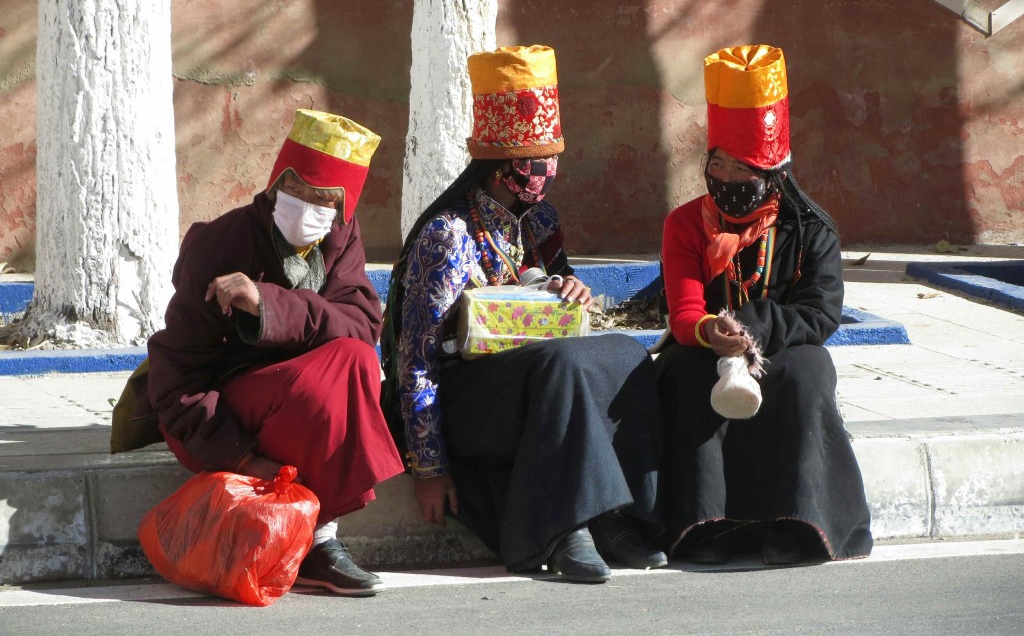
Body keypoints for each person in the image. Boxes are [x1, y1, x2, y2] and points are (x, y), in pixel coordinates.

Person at [380, 45, 665, 583]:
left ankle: (618, 517)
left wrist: (571, 289)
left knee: (625, 355)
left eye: (553, 158)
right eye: (536, 162)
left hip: (534, 383)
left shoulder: (540, 221)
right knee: (561, 367)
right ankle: (565, 528)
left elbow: (559, 296)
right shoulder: (450, 236)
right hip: (467, 394)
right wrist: (430, 467)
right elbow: (414, 359)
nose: (547, 172)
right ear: (501, 167)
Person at [136, 109, 405, 596]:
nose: (308, 210)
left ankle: (318, 538)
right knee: (336, 368)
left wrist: (268, 306)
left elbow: (363, 325)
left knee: (355, 359)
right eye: (297, 193)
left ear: (342, 210)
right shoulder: (221, 243)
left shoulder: (339, 237)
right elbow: (178, 374)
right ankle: (320, 542)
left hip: (299, 398)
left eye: (323, 202)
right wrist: (241, 457)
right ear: (275, 184)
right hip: (221, 408)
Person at [656, 45, 873, 565]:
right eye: (718, 164)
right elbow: (684, 311)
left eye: (742, 168)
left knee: (808, 370)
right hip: (706, 348)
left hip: (779, 348)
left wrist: (754, 329)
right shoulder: (685, 225)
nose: (727, 179)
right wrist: (713, 334)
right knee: (684, 374)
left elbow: (820, 316)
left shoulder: (812, 230)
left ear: (773, 174)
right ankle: (705, 528)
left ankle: (796, 524)